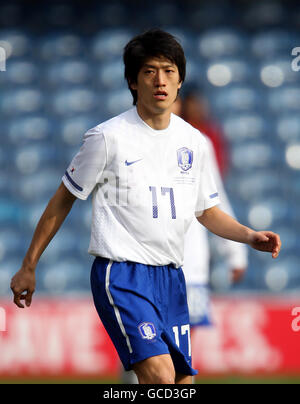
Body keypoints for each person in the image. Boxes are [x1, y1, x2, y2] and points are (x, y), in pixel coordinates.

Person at [10, 29, 281, 385]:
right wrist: (29, 265)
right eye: (149, 71)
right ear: (132, 81)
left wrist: (248, 236)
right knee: (161, 378)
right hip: (122, 275)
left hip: (171, 278)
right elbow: (63, 199)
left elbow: (206, 211)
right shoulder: (107, 138)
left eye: (169, 71)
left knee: (182, 382)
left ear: (180, 80)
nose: (160, 80)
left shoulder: (193, 142)